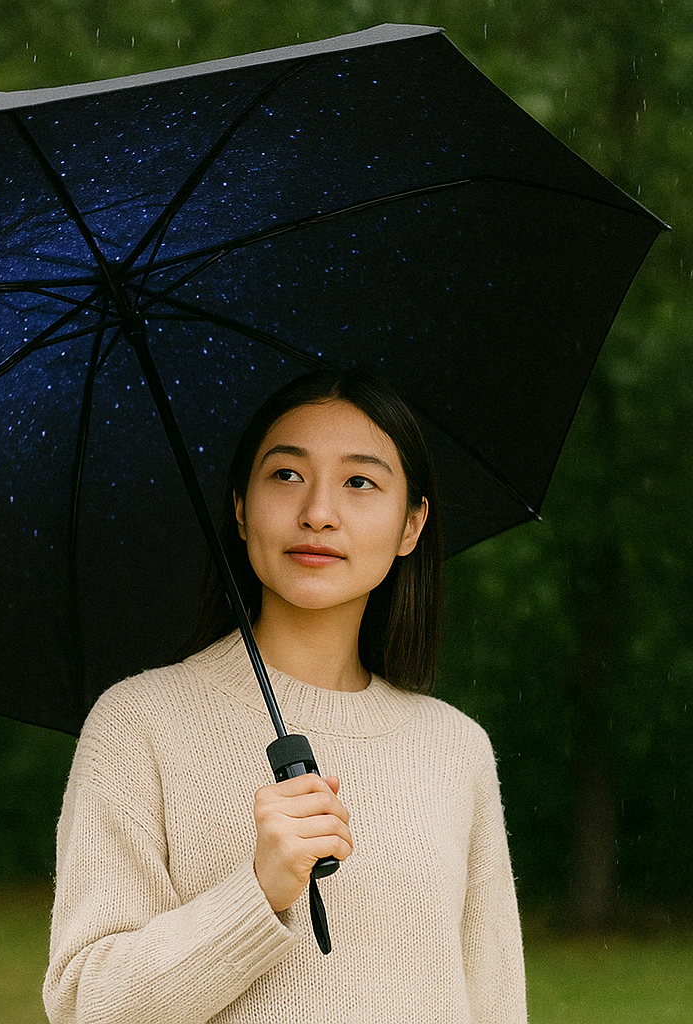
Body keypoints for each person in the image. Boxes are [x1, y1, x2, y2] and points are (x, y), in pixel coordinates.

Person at [43, 369, 526, 1024]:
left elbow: (495, 1004)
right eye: (286, 475)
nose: (318, 512)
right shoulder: (140, 723)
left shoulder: (456, 749)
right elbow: (85, 1004)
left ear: (412, 524)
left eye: (360, 481)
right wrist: (257, 893)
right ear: (240, 508)